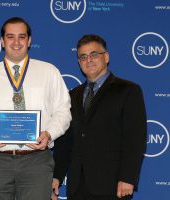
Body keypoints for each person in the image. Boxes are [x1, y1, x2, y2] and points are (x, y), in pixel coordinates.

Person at [0, 17, 71, 200]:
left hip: (37, 160)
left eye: (21, 37)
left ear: (29, 40)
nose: (16, 42)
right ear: (2, 41)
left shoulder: (49, 72)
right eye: (10, 37)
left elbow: (63, 111)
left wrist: (49, 134)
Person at [52, 34, 147, 200]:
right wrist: (57, 176)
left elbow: (135, 139)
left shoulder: (128, 91)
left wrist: (127, 177)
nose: (88, 60)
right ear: (79, 62)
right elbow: (66, 142)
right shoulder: (72, 96)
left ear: (107, 57)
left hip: (112, 185)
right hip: (77, 186)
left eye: (94, 54)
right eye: (83, 56)